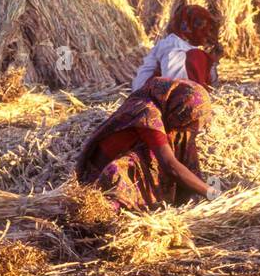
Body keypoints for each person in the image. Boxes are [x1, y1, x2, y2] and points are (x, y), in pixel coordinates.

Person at [76, 77, 216, 212]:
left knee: (181, 139)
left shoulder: (163, 104)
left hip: (132, 151)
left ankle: (186, 195)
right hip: (105, 171)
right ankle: (125, 205)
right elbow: (170, 165)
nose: (185, 125)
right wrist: (210, 192)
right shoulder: (148, 114)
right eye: (185, 119)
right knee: (163, 152)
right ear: (179, 108)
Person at [133, 3, 220, 91]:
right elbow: (173, 81)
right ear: (189, 27)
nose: (206, 34)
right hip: (151, 94)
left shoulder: (184, 44)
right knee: (197, 56)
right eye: (201, 28)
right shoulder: (173, 45)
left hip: (156, 92)